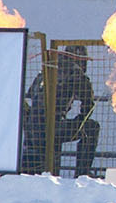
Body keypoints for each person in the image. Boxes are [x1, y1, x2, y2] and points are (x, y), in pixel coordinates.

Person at [19, 44, 98, 176]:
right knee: (92, 128)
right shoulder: (76, 73)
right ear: (81, 59)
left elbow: (30, 95)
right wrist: (79, 122)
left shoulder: (46, 70)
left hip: (32, 128)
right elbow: (88, 105)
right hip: (54, 128)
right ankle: (82, 174)